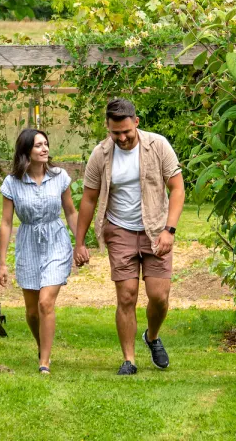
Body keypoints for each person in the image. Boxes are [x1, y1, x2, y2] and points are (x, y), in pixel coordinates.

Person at [74, 98, 185, 375]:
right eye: (115, 133)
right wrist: (79, 242)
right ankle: (129, 359)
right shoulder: (100, 154)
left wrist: (169, 230)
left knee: (159, 296)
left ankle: (152, 336)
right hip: (120, 230)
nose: (122, 138)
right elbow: (88, 198)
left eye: (126, 131)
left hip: (156, 230)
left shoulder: (158, 146)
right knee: (126, 296)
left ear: (136, 122)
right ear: (107, 128)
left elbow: (177, 188)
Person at [0, 128, 79, 374]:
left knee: (45, 303)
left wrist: (81, 242)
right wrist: (2, 263)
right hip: (28, 243)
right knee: (32, 312)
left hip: (56, 241)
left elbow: (71, 212)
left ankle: (45, 361)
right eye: (38, 145)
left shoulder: (60, 176)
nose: (45, 149)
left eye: (46, 144)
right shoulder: (12, 183)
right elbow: (6, 223)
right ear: (26, 152)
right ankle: (42, 343)